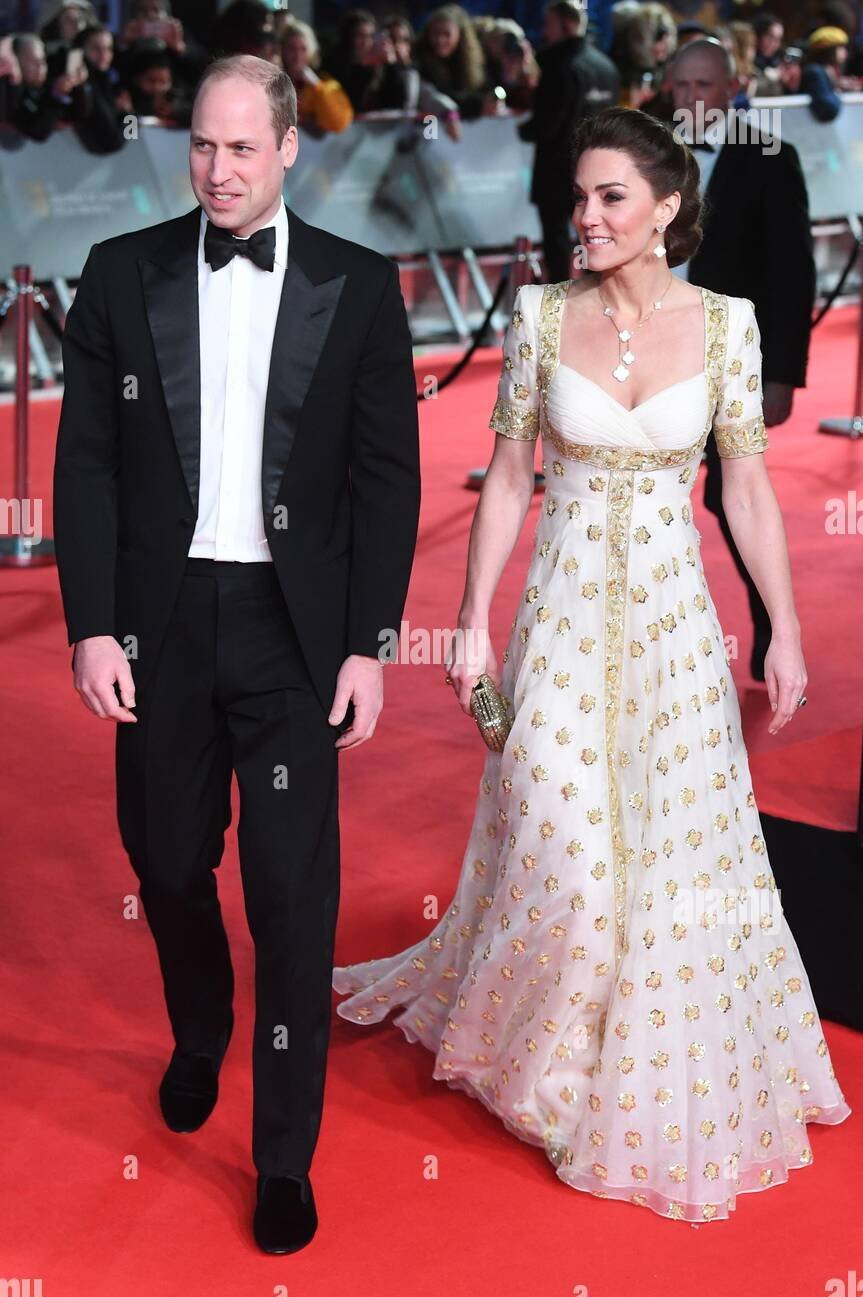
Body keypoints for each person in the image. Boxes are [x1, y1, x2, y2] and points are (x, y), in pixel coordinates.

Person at [332, 106, 850, 1224]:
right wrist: (469, 617)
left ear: (665, 209)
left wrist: (785, 624)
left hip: (673, 630)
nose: (587, 216)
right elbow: (507, 476)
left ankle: (631, 1061)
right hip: (559, 620)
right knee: (560, 844)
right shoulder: (535, 315)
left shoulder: (726, 326)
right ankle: (552, 1056)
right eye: (579, 197)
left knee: (668, 855)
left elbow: (746, 488)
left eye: (610, 197)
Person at [53, 53, 420, 1254]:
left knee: (291, 896)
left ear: (288, 149)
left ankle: (282, 1156)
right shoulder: (121, 273)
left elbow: (386, 480)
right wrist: (92, 623)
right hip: (159, 623)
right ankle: (201, 1023)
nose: (217, 170)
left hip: (290, 634)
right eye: (202, 146)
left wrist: (368, 643)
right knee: (166, 863)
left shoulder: (357, 286)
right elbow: (86, 464)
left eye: (242, 148)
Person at [668, 38, 815, 681]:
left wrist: (782, 374)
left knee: (731, 496)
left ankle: (772, 623)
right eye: (681, 85)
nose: (690, 97)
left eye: (703, 85)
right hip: (650, 350)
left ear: (731, 89)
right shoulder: (650, 152)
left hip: (731, 359)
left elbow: (792, 273)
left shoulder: (770, 156)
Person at [518, 0, 620, 284]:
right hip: (599, 170)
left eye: (547, 25)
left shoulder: (556, 66)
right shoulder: (607, 67)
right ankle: (598, 293)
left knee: (558, 241)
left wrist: (525, 130)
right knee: (596, 235)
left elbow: (549, 123)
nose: (543, 32)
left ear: (566, 25)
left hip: (557, 169)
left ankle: (562, 300)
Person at [280, 18, 354, 134]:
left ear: (311, 51)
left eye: (303, 49)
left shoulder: (324, 82)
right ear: (283, 50)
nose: (297, 56)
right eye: (292, 49)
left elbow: (339, 123)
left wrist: (317, 85)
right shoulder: (275, 81)